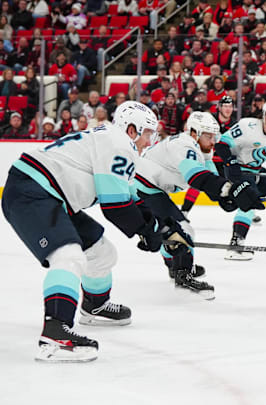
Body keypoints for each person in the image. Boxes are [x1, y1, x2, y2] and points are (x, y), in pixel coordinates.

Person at [1, 101, 165, 362]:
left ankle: (94, 305)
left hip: (49, 195)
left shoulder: (112, 140)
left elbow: (129, 196)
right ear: (131, 129)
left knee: (102, 253)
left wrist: (157, 227)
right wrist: (145, 231)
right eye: (147, 133)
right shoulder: (119, 143)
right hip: (31, 193)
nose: (150, 141)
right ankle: (56, 331)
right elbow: (116, 206)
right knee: (68, 256)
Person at [134, 112, 264, 298]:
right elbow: (197, 178)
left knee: (171, 229)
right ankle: (183, 274)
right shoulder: (184, 144)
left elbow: (213, 185)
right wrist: (233, 190)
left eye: (215, 136)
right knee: (183, 229)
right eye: (208, 136)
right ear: (194, 132)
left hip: (150, 188)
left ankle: (175, 266)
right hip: (143, 187)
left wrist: (230, 199)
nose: (213, 141)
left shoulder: (203, 151)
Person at [214, 99, 266, 260]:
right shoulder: (247, 126)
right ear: (264, 115)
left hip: (255, 170)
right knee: (248, 202)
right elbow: (221, 144)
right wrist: (230, 162)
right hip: (237, 169)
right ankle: (235, 245)